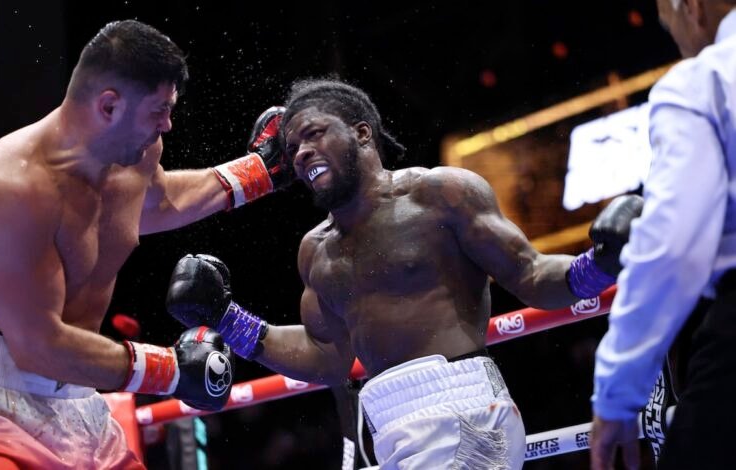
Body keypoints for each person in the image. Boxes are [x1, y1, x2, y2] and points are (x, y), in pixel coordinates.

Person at [166, 78, 642, 469]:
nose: (302, 152)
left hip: (460, 410)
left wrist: (600, 263)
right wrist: (227, 317)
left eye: (314, 134)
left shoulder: (441, 194)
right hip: (388, 425)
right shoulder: (315, 251)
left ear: (362, 133)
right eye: (292, 147)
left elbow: (532, 274)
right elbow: (326, 357)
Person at [0, 19, 293, 469]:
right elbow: (36, 345)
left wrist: (258, 173)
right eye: (159, 111)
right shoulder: (14, 188)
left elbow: (159, 201)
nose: (168, 124)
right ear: (109, 105)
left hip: (78, 397)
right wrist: (170, 370)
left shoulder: (136, 155)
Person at [589, 1, 736, 469]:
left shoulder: (703, 81)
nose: (680, 44)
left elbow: (673, 249)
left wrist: (617, 393)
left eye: (670, 26)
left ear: (691, 8)